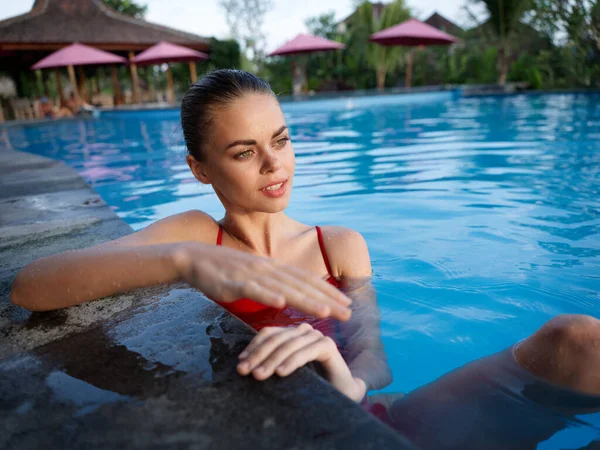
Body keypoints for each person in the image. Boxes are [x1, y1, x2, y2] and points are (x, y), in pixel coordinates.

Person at [10, 70, 600, 413]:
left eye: (282, 140)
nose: (274, 165)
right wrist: (185, 262)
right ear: (200, 169)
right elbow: (31, 287)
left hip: (354, 410)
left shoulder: (337, 246)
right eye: (244, 152)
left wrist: (348, 381)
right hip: (261, 426)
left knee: (577, 341)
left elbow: (375, 358)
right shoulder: (196, 235)